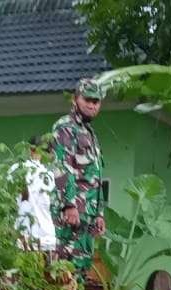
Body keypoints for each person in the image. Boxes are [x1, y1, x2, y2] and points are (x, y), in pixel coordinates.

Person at [51, 78, 105, 274]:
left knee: (82, 269)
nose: (92, 105)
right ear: (75, 99)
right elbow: (62, 166)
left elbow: (96, 175)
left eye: (96, 101)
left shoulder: (90, 133)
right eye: (87, 100)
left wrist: (99, 214)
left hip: (88, 214)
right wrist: (69, 205)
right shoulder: (65, 127)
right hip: (71, 213)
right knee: (64, 268)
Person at [12, 137, 58, 253]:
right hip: (48, 237)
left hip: (23, 237)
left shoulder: (16, 169)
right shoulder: (49, 175)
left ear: (30, 149)